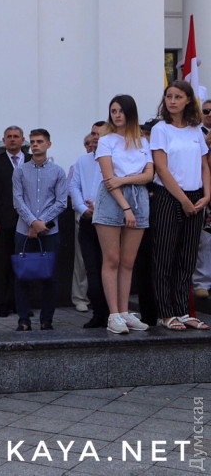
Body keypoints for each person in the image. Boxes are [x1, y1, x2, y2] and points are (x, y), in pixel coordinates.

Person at [149, 81, 211, 331]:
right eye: (168, 96)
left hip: (197, 196)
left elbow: (205, 165)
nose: (172, 100)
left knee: (187, 259)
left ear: (188, 100)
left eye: (178, 96)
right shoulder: (160, 129)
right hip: (169, 197)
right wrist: (184, 201)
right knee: (164, 258)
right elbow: (161, 169)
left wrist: (207, 196)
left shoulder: (197, 130)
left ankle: (183, 311)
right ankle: (165, 313)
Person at [92, 96, 153, 334]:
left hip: (139, 199)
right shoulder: (106, 141)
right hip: (112, 200)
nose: (117, 115)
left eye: (120, 111)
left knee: (128, 262)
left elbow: (149, 175)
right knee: (112, 259)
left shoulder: (142, 141)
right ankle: (114, 314)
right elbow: (109, 180)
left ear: (130, 113)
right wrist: (125, 207)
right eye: (113, 111)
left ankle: (125, 312)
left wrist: (125, 179)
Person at [11, 129, 67, 332]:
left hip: (49, 232)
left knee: (49, 277)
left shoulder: (58, 172)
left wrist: (41, 223)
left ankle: (47, 320)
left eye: (40, 141)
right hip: (23, 231)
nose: (35, 145)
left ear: (48, 145)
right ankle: (23, 320)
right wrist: (32, 222)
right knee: (21, 276)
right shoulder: (20, 171)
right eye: (33, 141)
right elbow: (17, 200)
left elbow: (61, 202)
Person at [0, 126, 30, 317]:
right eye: (9, 137)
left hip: (28, 222)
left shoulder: (30, 160)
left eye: (16, 137)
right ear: (4, 140)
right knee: (4, 264)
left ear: (22, 140)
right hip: (4, 222)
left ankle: (22, 305)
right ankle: (3, 304)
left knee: (24, 264)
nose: (12, 140)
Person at [69, 122, 109, 328]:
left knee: (108, 268)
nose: (95, 138)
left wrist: (100, 206)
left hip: (109, 222)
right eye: (93, 133)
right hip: (87, 220)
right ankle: (98, 313)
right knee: (91, 268)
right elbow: (74, 186)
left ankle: (112, 312)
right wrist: (83, 209)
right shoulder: (82, 161)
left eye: (99, 134)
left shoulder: (115, 159)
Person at [69, 132, 98, 313]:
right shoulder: (80, 163)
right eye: (87, 142)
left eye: (93, 141)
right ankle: (80, 296)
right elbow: (71, 189)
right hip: (84, 214)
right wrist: (83, 208)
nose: (90, 145)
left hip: (105, 215)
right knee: (81, 260)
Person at [192, 99, 211, 298]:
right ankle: (202, 282)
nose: (210, 114)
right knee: (205, 239)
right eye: (206, 111)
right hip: (204, 190)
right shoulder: (197, 134)